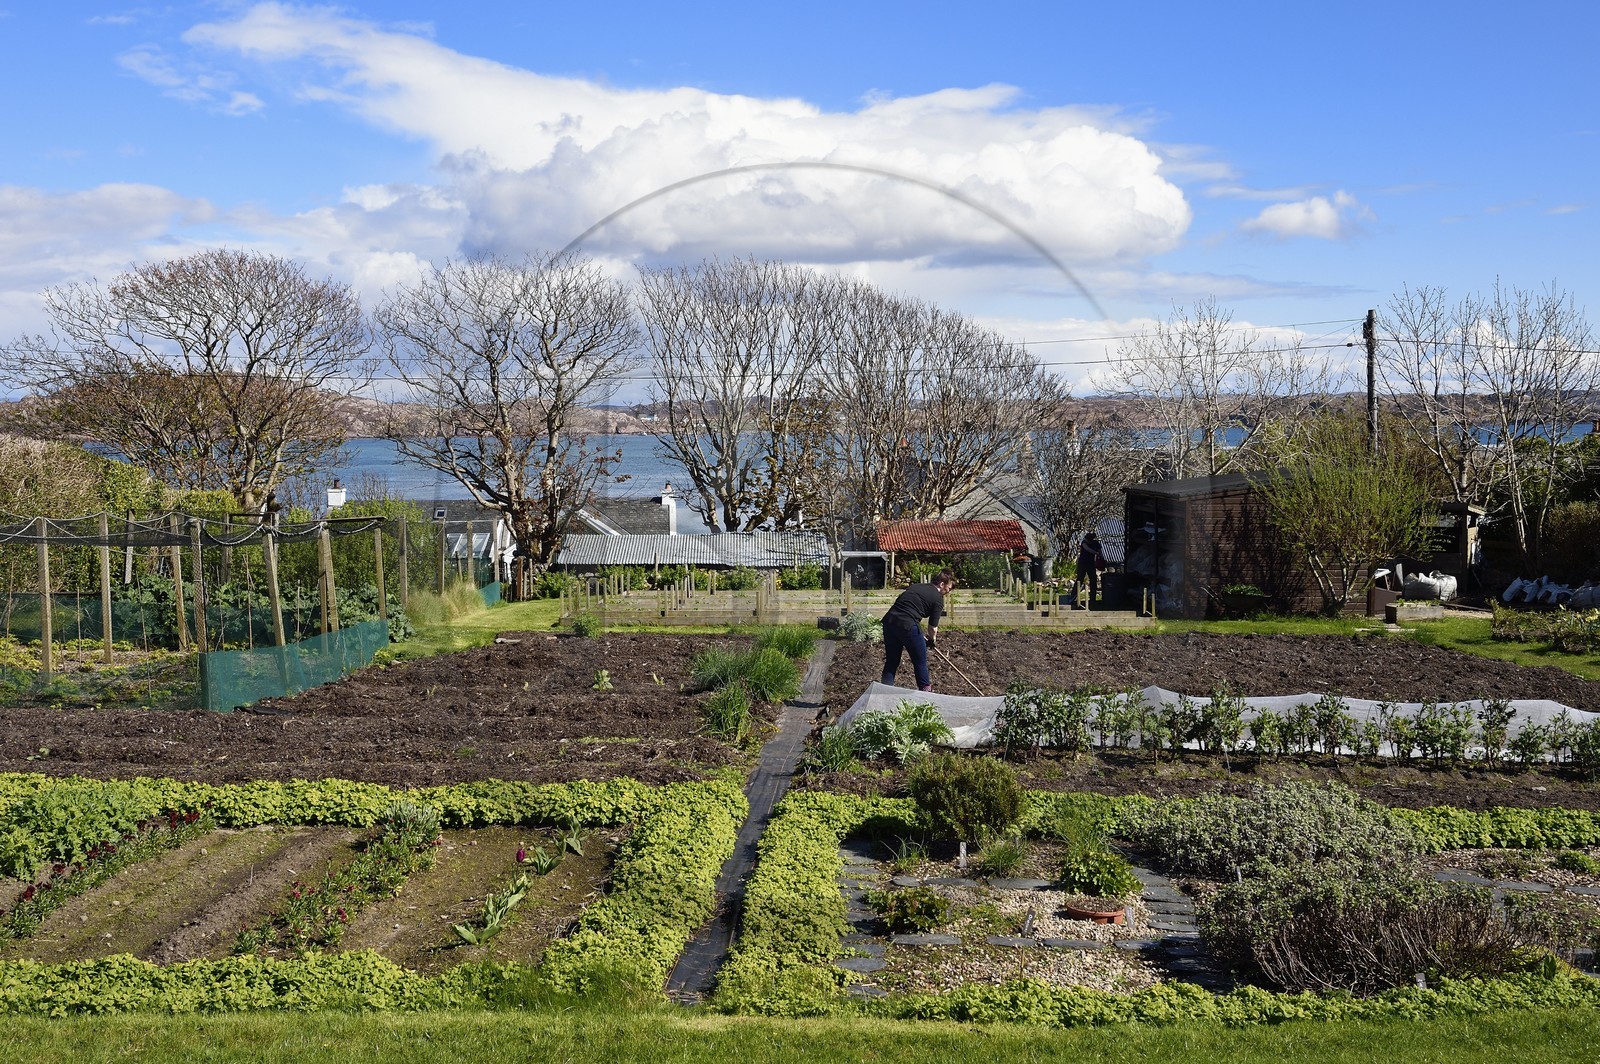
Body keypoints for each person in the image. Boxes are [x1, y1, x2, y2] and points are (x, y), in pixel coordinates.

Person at [880, 569, 955, 691]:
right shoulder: (938, 599)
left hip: (889, 622)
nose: (948, 592)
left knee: (891, 661)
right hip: (908, 625)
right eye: (949, 588)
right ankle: (926, 694)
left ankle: (884, 691)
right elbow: (933, 627)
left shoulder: (917, 586)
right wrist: (932, 640)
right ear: (942, 584)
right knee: (920, 661)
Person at [1077, 532, 1105, 605]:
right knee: (1079, 579)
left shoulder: (1095, 543)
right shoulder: (1084, 543)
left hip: (1091, 564)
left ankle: (1093, 598)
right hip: (1082, 563)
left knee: (1093, 580)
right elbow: (1087, 549)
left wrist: (1101, 558)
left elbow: (1100, 551)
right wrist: (1096, 553)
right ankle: (1074, 596)